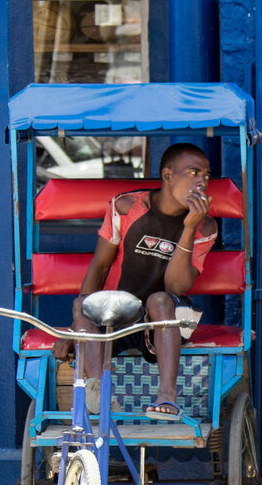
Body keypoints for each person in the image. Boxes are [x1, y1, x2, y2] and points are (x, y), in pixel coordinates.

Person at [52, 143, 217, 421]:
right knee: (83, 304)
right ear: (167, 175)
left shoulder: (205, 226)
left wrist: (189, 227)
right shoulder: (127, 207)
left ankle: (167, 395)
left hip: (166, 321)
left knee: (160, 299)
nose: (202, 181)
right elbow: (100, 266)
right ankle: (99, 396)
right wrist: (76, 327)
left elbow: (176, 287)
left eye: (207, 176)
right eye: (193, 172)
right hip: (118, 316)